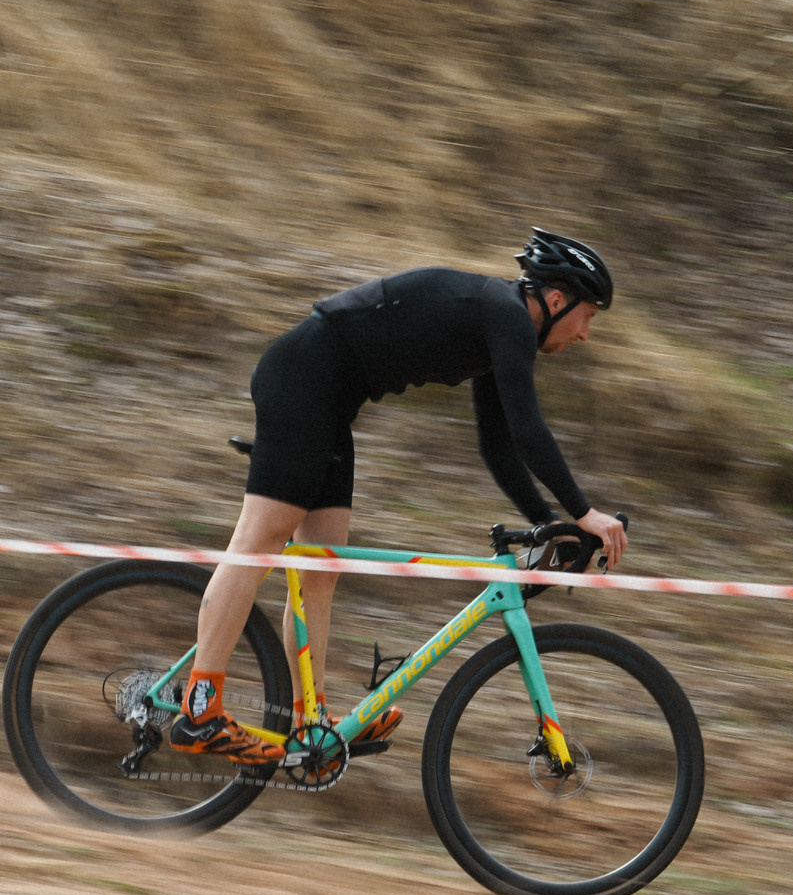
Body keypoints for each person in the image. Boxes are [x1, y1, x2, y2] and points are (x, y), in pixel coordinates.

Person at [170, 229, 628, 764]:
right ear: (556, 299)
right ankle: (200, 709)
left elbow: (499, 443)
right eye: (587, 316)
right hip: (302, 382)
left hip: (328, 402)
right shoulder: (505, 314)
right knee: (258, 544)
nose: (585, 334)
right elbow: (529, 430)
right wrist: (584, 513)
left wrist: (548, 521)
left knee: (322, 566)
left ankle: (310, 720)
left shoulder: (499, 324)